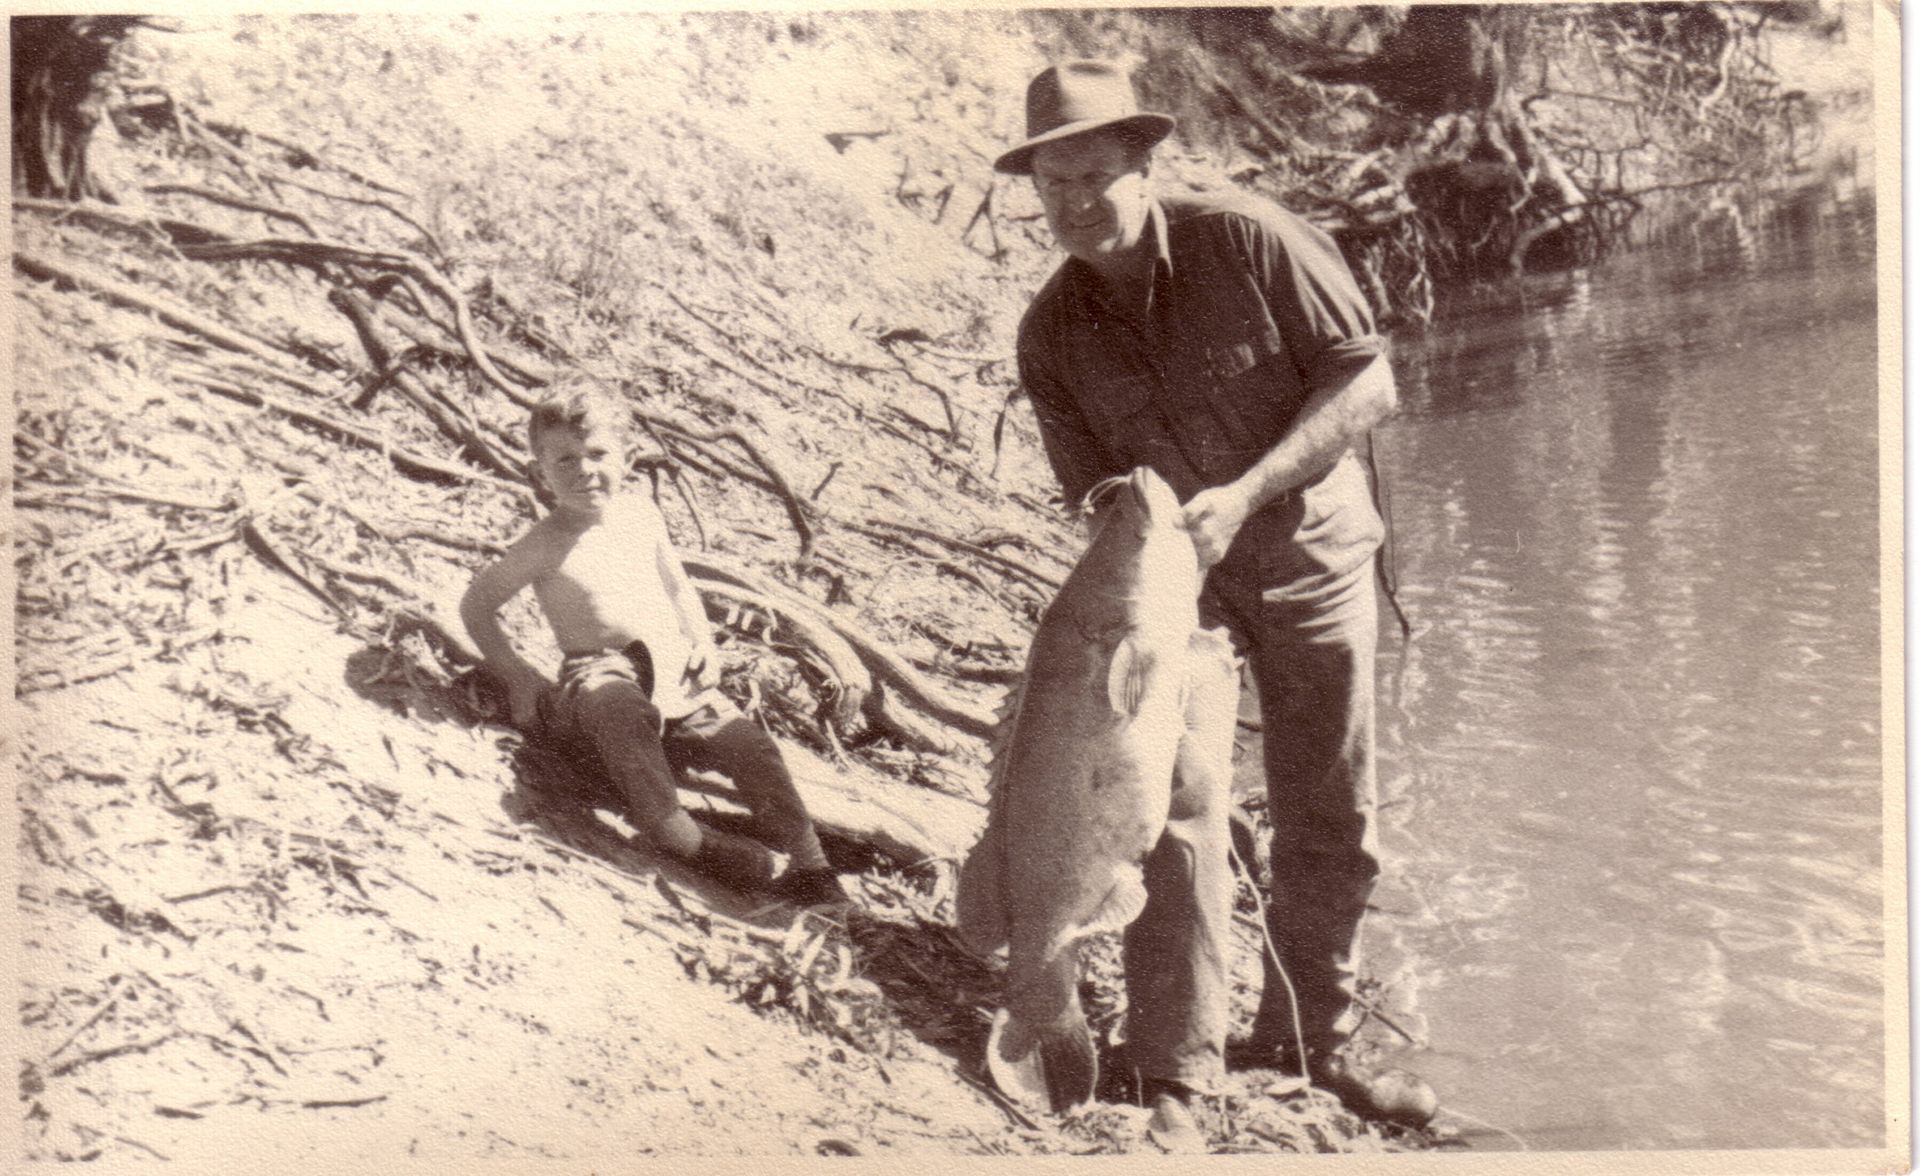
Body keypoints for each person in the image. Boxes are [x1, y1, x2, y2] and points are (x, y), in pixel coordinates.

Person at [994, 60, 1435, 1129]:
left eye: (1095, 178)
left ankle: (1308, 1039)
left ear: (1146, 166)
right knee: (1172, 805)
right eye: (1053, 188)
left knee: (1326, 802)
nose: (1075, 207)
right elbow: (1097, 496)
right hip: (1175, 592)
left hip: (1309, 553)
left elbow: (1368, 379)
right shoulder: (1050, 332)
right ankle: (1177, 1063)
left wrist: (1244, 491)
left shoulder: (1248, 238)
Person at [461, 384, 847, 908]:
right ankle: (678, 833)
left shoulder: (642, 515)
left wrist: (703, 641)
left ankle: (811, 864)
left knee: (748, 744)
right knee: (616, 704)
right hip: (598, 676)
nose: (583, 470)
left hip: (670, 668)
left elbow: (677, 584)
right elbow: (477, 605)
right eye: (564, 459)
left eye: (598, 454)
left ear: (627, 457)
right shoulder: (545, 542)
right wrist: (517, 674)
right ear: (540, 471)